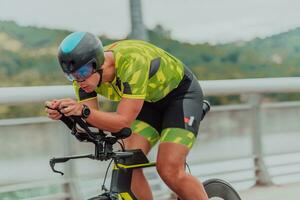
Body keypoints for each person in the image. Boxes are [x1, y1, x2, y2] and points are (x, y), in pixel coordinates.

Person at [45, 31, 208, 200]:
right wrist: (67, 115)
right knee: (126, 163)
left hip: (180, 97)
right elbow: (92, 119)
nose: (78, 81)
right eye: (71, 76)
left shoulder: (132, 62)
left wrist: (82, 111)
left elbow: (122, 122)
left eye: (82, 73)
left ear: (97, 63)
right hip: (147, 103)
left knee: (168, 169)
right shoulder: (82, 79)